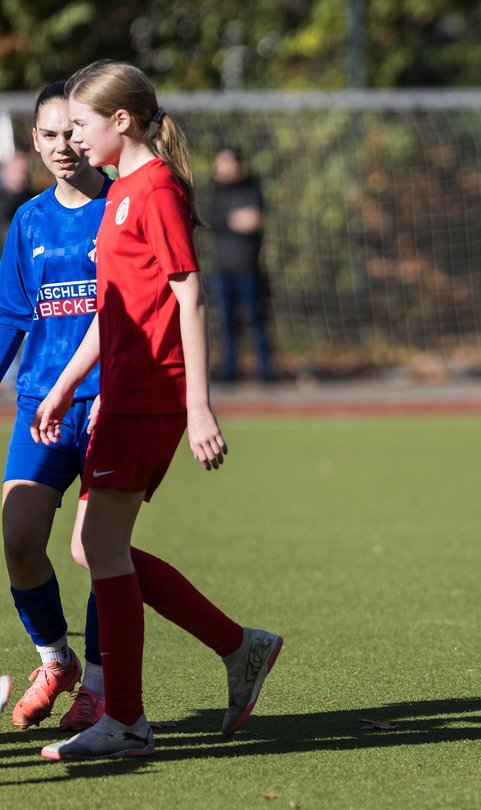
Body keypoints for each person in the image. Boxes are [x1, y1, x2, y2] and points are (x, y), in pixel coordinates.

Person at [34, 59, 283, 761]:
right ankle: (239, 648)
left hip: (151, 396)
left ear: (121, 121)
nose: (72, 136)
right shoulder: (122, 193)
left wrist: (198, 405)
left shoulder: (157, 191)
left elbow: (188, 297)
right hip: (122, 394)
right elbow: (113, 311)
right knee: (94, 546)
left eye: (81, 122)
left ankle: (128, 719)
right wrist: (62, 385)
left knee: (100, 547)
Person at [0, 82, 111, 734]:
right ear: (35, 141)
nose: (62, 145)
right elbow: (13, 316)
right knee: (17, 538)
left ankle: (98, 686)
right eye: (48, 134)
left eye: (73, 130)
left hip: (106, 403)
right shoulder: (28, 221)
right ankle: (55, 659)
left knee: (95, 550)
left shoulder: (120, 207)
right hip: (41, 403)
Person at [208, 146, 271, 382]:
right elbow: (216, 220)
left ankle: (265, 371)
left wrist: (236, 220)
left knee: (255, 319)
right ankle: (229, 370)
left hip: (248, 268)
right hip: (222, 269)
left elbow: (253, 220)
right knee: (226, 322)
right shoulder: (215, 192)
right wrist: (235, 219)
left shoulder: (251, 188)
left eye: (228, 161)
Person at [0, 150, 34, 253]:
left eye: (23, 171)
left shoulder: (32, 200)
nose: (20, 175)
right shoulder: (2, 201)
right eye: (15, 170)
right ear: (5, 171)